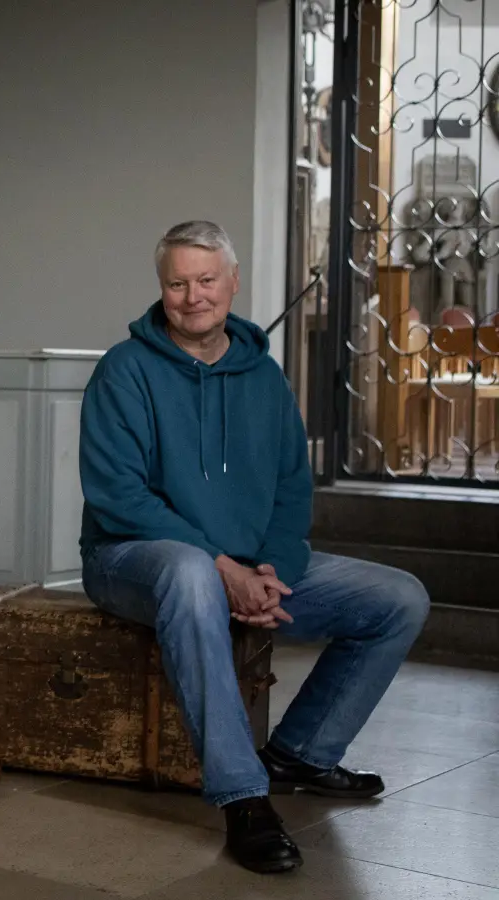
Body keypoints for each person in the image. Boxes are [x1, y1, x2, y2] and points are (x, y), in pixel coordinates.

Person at [78, 220, 429, 875]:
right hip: (131, 560)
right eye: (177, 283)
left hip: (240, 563)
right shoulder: (123, 371)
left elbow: (292, 492)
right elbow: (117, 498)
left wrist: (269, 570)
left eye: (206, 280)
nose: (192, 296)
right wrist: (222, 569)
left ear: (232, 283)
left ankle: (301, 753)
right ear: (163, 289)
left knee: (398, 598)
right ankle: (243, 797)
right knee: (188, 574)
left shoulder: (264, 378)